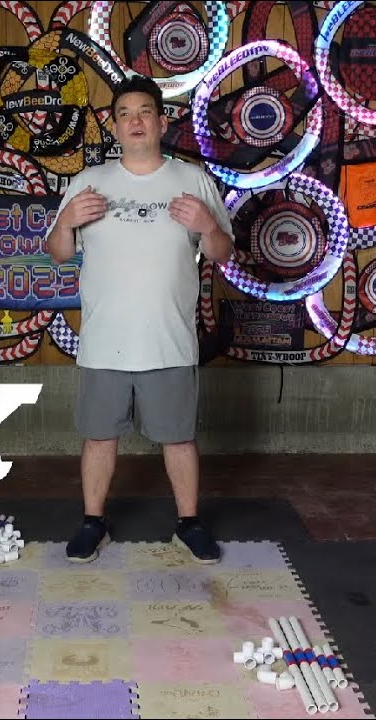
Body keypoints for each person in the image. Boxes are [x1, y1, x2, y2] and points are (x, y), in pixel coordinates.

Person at [44, 74, 235, 565]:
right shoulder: (89, 183)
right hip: (104, 340)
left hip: (169, 339)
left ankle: (189, 523)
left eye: (145, 112)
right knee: (98, 436)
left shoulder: (192, 179)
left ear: (161, 122)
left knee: (179, 437)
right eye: (125, 114)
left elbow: (223, 253)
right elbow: (58, 252)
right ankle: (93, 521)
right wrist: (65, 221)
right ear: (113, 126)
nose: (135, 121)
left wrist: (207, 226)